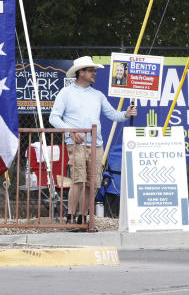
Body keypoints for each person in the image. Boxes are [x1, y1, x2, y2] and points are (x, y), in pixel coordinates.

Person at [49, 56, 137, 225]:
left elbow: (113, 114)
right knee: (78, 180)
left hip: (97, 144)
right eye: (91, 70)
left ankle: (84, 218)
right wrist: (72, 131)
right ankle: (71, 217)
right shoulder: (66, 93)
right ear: (80, 72)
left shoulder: (97, 95)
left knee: (92, 183)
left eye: (94, 70)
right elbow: (54, 118)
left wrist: (126, 114)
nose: (94, 73)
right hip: (76, 143)